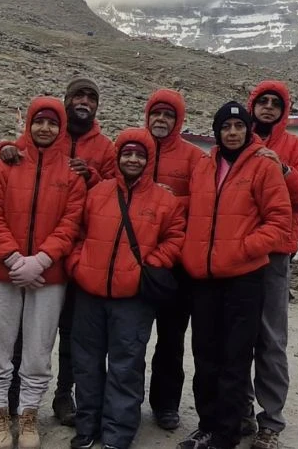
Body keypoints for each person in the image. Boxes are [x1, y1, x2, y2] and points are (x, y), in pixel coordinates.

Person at [0, 76, 116, 427]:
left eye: (91, 98)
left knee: (72, 329)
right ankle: (12, 396)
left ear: (96, 106)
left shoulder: (105, 148)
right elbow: (18, 154)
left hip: (81, 251)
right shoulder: (46, 129)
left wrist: (90, 176)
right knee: (20, 326)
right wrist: (6, 147)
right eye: (78, 95)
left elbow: (113, 188)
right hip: (37, 249)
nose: (84, 102)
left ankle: (64, 396)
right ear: (66, 100)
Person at [177, 101, 291, 449]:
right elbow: (194, 211)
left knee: (234, 357)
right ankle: (207, 425)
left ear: (248, 130)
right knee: (204, 354)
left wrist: (244, 248)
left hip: (243, 278)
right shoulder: (203, 166)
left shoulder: (263, 166)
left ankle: (226, 434)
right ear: (217, 131)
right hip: (204, 278)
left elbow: (280, 221)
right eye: (226, 127)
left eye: (238, 126)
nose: (232, 132)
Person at [0, 97, 85, 449]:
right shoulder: (7, 165)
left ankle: (28, 415)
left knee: (39, 349)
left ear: (61, 128)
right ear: (29, 124)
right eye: (39, 121)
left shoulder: (71, 174)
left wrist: (39, 260)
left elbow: (71, 223)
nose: (45, 128)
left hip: (47, 277)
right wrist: (12, 259)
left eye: (52, 123)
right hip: (3, 271)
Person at [67, 128, 185, 449]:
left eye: (139, 155)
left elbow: (175, 237)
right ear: (118, 157)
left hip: (133, 299)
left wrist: (151, 264)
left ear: (147, 161)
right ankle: (87, 426)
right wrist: (78, 264)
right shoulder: (97, 193)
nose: (133, 159)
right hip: (89, 293)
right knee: (87, 364)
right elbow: (76, 231)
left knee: (126, 365)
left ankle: (117, 434)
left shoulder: (164, 200)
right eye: (127, 153)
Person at [243, 81, 298, 449]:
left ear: (284, 110)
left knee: (271, 340)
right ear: (252, 106)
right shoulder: (236, 141)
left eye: (277, 104)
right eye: (263, 102)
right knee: (235, 336)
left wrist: (286, 171)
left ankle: (271, 422)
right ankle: (241, 409)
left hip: (274, 255)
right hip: (238, 253)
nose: (269, 108)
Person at [143, 90, 207, 431]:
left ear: (178, 120)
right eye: (156, 113)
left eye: (168, 115)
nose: (161, 120)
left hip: (177, 265)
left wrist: (172, 201)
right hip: (134, 260)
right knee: (130, 337)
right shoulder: (132, 148)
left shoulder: (194, 157)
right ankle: (121, 399)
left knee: (171, 338)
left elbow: (204, 200)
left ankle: (165, 403)